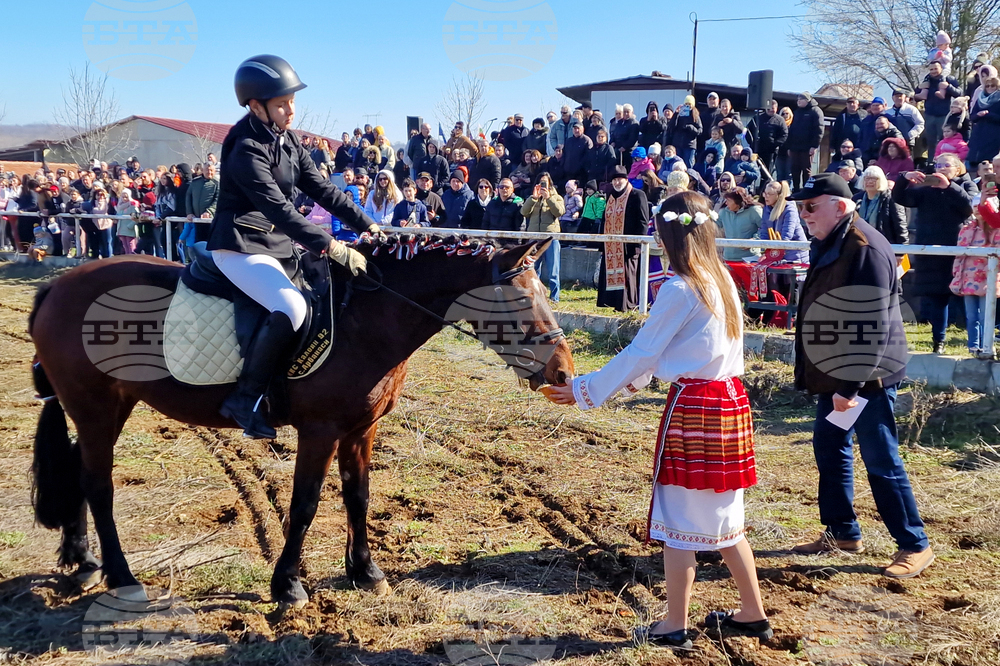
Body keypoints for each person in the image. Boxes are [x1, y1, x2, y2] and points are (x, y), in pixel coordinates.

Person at [544, 190, 770, 650]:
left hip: (697, 408)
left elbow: (645, 352)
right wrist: (611, 387)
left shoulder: (680, 287)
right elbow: (661, 355)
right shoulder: (721, 278)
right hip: (728, 401)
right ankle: (752, 613)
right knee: (726, 516)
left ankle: (674, 623)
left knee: (678, 519)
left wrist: (585, 389)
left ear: (669, 236)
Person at [206, 55, 378, 439]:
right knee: (292, 305)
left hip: (274, 245)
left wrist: (367, 223)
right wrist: (332, 246)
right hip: (240, 247)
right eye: (282, 103)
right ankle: (244, 398)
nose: (291, 110)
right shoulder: (245, 147)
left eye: (292, 101)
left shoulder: (288, 139)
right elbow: (279, 209)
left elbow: (323, 188)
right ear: (255, 105)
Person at [789, 173, 932, 579]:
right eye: (801, 207)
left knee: (880, 457)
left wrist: (848, 388)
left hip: (865, 376)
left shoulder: (865, 247)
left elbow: (873, 323)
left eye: (811, 206)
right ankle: (842, 531)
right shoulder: (832, 241)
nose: (805, 214)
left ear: (841, 205)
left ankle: (914, 544)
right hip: (838, 371)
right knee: (829, 446)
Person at [892, 153, 976, 353]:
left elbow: (968, 207)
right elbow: (900, 197)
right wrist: (905, 177)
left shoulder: (964, 186)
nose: (941, 168)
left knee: (966, 298)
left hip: (957, 251)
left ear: (957, 169)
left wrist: (949, 186)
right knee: (937, 297)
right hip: (929, 250)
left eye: (947, 165)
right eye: (938, 164)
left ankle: (974, 343)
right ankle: (938, 341)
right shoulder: (925, 191)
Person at [597, 165, 649, 311]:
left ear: (626, 180)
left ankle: (627, 305)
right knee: (610, 274)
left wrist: (638, 244)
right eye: (614, 180)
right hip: (611, 245)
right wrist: (602, 245)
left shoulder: (637, 195)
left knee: (628, 276)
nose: (617, 183)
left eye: (619, 179)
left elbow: (643, 221)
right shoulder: (610, 197)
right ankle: (612, 303)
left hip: (628, 246)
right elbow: (604, 220)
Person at [956, 187, 1000, 354]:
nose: (977, 209)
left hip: (987, 278)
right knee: (972, 315)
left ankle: (986, 345)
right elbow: (959, 254)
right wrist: (956, 274)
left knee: (985, 315)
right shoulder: (966, 229)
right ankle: (973, 346)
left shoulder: (996, 230)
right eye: (974, 206)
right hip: (968, 277)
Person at [521, 172, 565, 300]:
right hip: (534, 239)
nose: (543, 185)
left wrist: (549, 198)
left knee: (553, 270)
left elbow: (559, 212)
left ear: (550, 184)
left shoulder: (556, 197)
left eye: (545, 182)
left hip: (551, 238)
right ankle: (535, 296)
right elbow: (524, 212)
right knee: (533, 269)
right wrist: (533, 198)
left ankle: (554, 298)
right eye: (541, 183)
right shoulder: (533, 198)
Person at [915, 60, 962, 160]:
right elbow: (916, 96)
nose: (933, 71)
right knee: (930, 141)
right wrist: (919, 87)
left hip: (944, 115)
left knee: (944, 140)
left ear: (941, 68)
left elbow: (959, 93)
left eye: (936, 68)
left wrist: (948, 87)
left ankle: (943, 161)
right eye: (931, 69)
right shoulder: (927, 80)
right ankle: (931, 162)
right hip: (929, 115)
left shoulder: (949, 78)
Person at [854, 166, 908, 247]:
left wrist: (901, 251)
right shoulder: (856, 198)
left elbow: (900, 225)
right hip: (860, 245)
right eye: (867, 178)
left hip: (884, 246)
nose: (870, 181)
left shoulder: (892, 198)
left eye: (874, 178)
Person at [760, 181, 808, 263]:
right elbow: (764, 232)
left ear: (779, 196)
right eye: (765, 193)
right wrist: (764, 252)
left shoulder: (790, 210)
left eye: (770, 194)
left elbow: (787, 236)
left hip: (795, 255)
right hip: (777, 254)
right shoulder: (766, 209)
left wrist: (775, 253)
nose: (766, 196)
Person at [786, 92, 824, 191]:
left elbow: (819, 130)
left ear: (807, 100)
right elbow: (791, 130)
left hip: (807, 147)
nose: (798, 101)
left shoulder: (816, 111)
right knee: (794, 169)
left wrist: (814, 146)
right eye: (798, 99)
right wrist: (789, 146)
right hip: (795, 147)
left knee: (806, 169)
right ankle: (796, 188)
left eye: (801, 99)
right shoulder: (797, 112)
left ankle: (806, 190)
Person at [717, 187, 763, 261]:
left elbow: (765, 228)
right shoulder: (723, 212)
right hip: (728, 258)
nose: (726, 203)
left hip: (749, 258)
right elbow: (713, 226)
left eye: (729, 200)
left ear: (737, 201)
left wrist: (755, 239)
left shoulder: (754, 211)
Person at [968, 76, 1000, 166]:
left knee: (989, 162)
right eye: (987, 86)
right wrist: (978, 115)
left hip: (994, 133)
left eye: (992, 86)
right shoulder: (980, 99)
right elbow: (972, 117)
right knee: (975, 163)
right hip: (978, 133)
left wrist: (988, 114)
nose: (990, 88)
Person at [757, 99, 789, 176]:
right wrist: (752, 143)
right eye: (769, 108)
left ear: (776, 108)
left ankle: (765, 186)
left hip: (771, 151)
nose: (771, 110)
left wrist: (775, 144)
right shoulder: (758, 118)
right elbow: (748, 131)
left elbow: (784, 134)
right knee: (754, 170)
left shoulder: (780, 120)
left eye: (773, 108)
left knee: (767, 172)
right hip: (757, 149)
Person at [672, 96, 702, 168]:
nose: (688, 106)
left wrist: (690, 127)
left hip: (689, 145)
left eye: (689, 104)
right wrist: (676, 114)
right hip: (678, 144)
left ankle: (690, 178)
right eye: (686, 104)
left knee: (689, 165)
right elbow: (672, 127)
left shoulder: (696, 116)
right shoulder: (679, 114)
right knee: (677, 165)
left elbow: (700, 130)